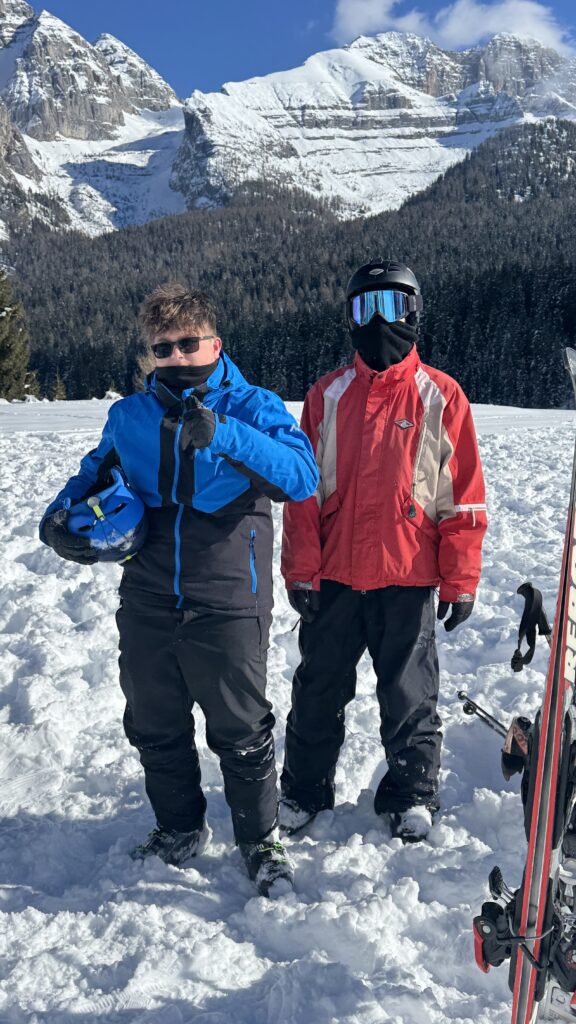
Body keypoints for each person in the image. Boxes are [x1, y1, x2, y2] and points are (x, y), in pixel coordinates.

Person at [39, 283, 319, 896]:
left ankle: (260, 840)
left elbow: (301, 478)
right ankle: (179, 828)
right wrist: (57, 521)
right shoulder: (130, 416)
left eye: (188, 344)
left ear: (215, 344)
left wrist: (224, 434)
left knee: (240, 726)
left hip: (229, 589)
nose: (175, 356)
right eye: (162, 348)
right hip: (147, 590)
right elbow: (91, 474)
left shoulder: (254, 405)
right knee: (153, 719)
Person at [280, 260, 487, 843]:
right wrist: (301, 570)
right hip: (335, 576)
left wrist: (460, 579)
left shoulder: (441, 396)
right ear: (349, 318)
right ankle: (304, 789)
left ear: (414, 313)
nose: (378, 322)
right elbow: (302, 494)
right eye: (364, 307)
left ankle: (412, 793)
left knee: (409, 693)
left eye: (393, 306)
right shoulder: (326, 395)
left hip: (408, 576)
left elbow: (462, 498)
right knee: (318, 689)